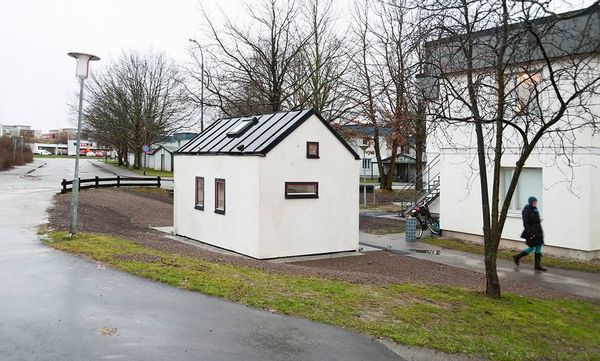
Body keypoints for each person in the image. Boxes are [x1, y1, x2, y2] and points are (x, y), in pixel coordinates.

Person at [513, 196, 547, 271]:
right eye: (534, 202)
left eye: (536, 202)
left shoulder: (535, 210)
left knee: (538, 247)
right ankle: (517, 257)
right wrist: (530, 233)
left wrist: (541, 232)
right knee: (532, 248)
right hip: (531, 232)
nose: (535, 204)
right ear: (530, 202)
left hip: (538, 231)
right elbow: (526, 223)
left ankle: (537, 265)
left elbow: (537, 222)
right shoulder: (526, 211)